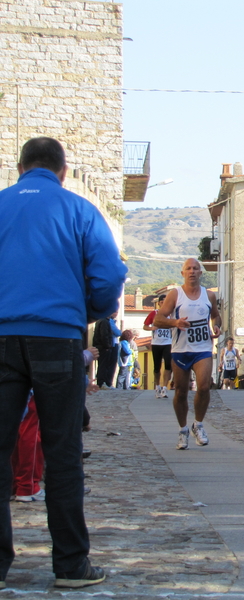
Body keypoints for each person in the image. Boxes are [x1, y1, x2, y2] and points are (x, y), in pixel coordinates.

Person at [0, 136, 126, 588]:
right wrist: (86, 310)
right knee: (62, 453)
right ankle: (71, 565)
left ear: (19, 169)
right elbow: (110, 274)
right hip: (56, 338)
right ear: (63, 171)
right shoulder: (78, 209)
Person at [154, 258, 221, 450]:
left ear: (201, 273)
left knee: (204, 387)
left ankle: (198, 425)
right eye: (188, 269)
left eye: (195, 269)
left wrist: (216, 326)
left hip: (203, 349)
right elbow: (158, 319)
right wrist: (175, 323)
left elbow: (215, 315)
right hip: (180, 350)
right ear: (183, 273)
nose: (192, 271)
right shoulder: (175, 295)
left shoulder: (209, 296)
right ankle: (183, 429)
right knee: (181, 391)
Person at [144, 294, 173, 398]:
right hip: (156, 343)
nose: (164, 304)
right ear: (159, 303)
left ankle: (165, 387)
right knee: (157, 367)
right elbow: (145, 326)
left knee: (168, 365)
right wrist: (153, 328)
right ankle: (157, 386)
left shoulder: (171, 314)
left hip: (168, 342)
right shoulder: (154, 313)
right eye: (162, 302)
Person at [92, 312, 120, 388]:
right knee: (104, 366)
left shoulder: (101, 320)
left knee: (103, 365)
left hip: (102, 346)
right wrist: (107, 346)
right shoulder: (104, 321)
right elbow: (104, 335)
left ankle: (103, 383)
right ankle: (102, 383)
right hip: (103, 347)